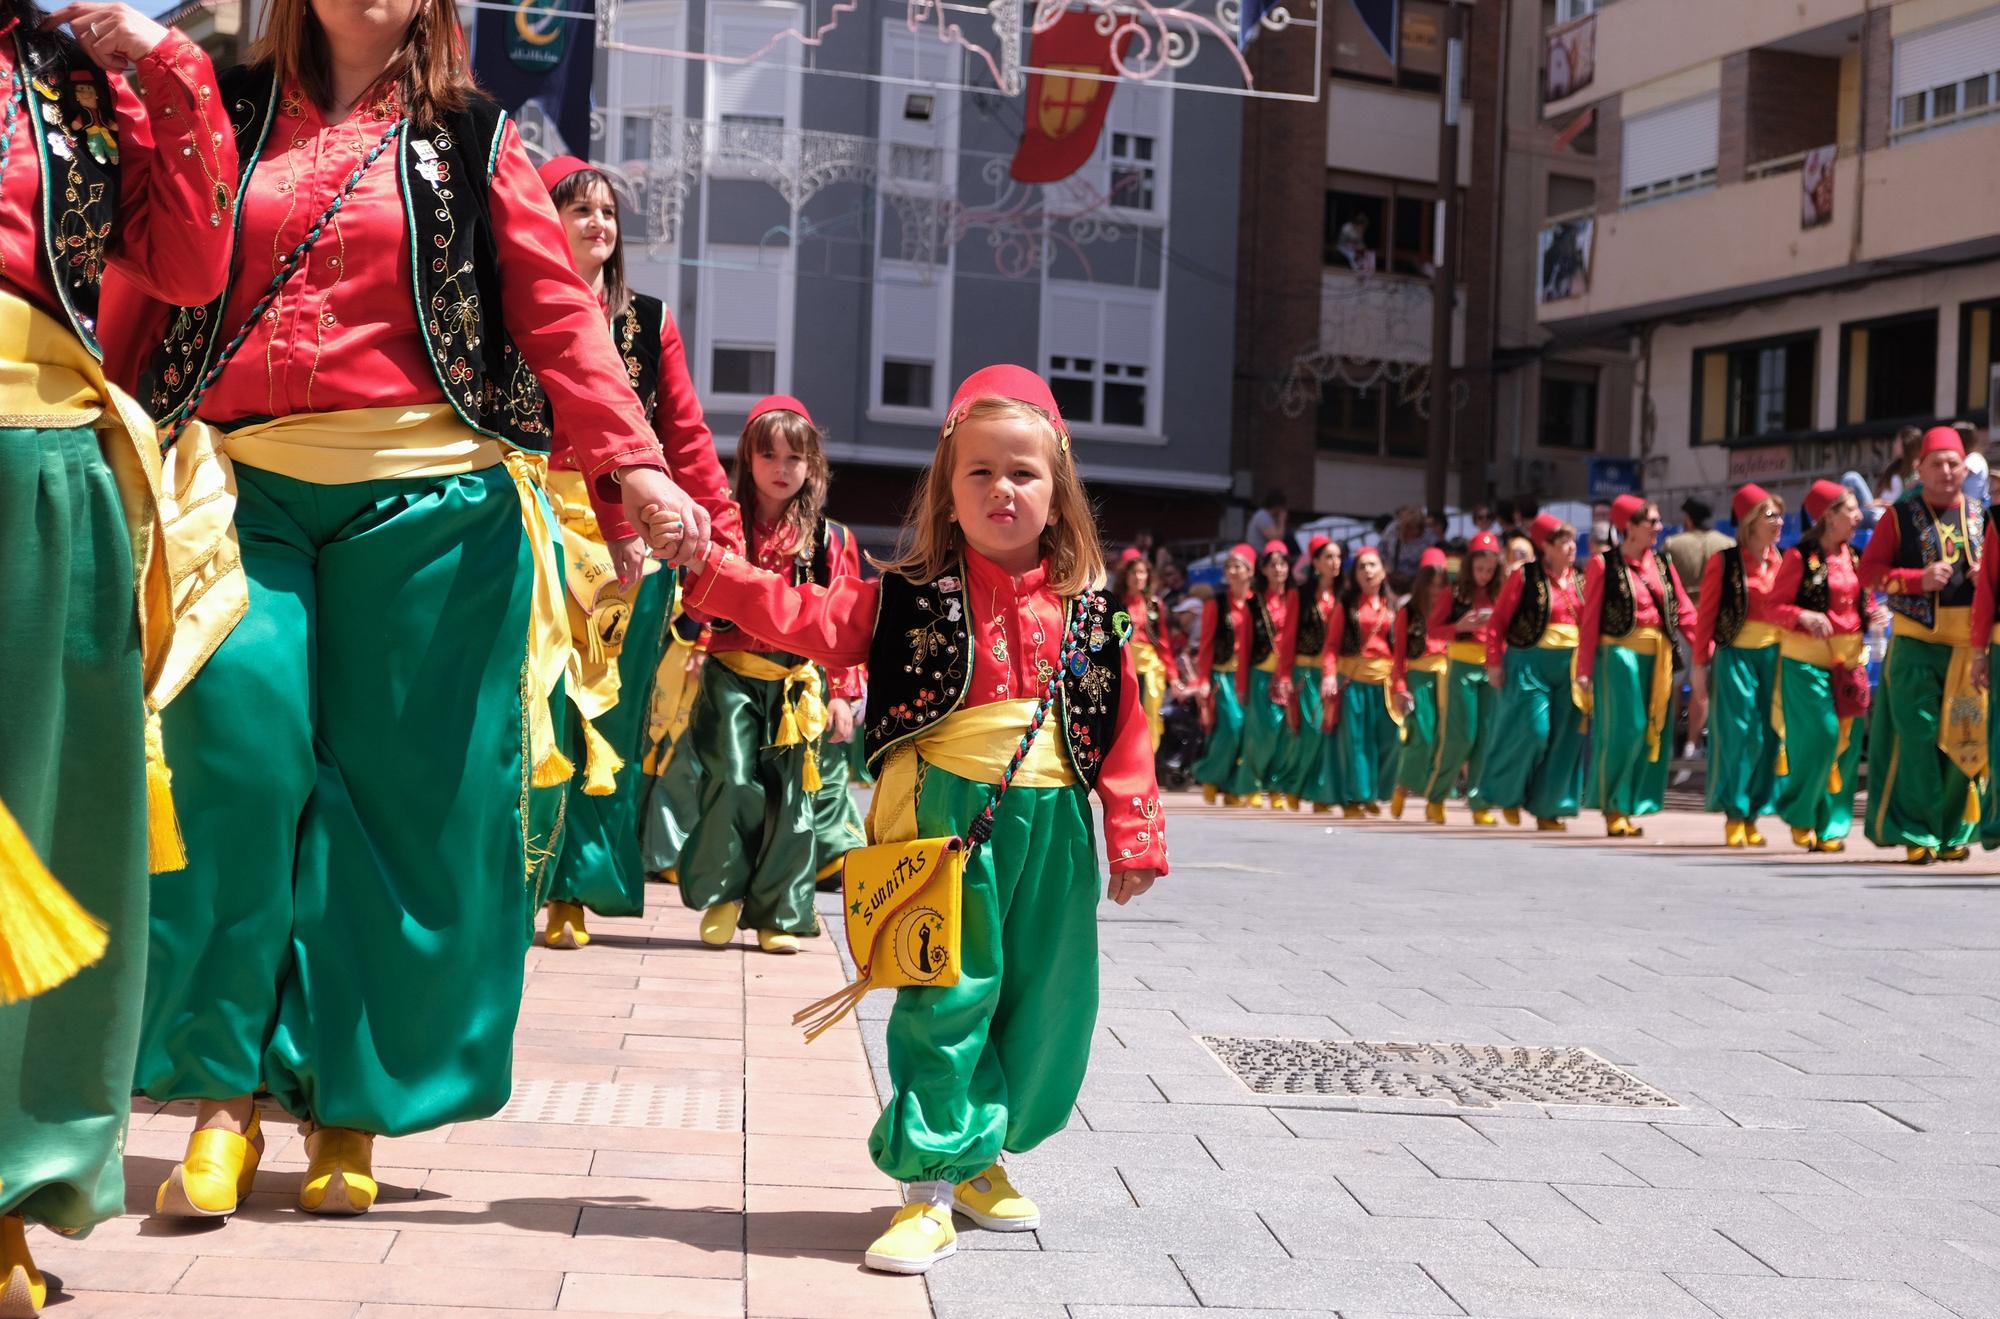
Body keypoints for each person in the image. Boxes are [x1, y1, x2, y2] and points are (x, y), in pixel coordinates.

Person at [122, 0, 717, 1224]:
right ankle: (219, 1095)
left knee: (398, 808)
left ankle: (351, 1109)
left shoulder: (474, 138)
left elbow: (557, 314)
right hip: (241, 489)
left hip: (431, 508)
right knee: (233, 761)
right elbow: (146, 278)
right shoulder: (225, 112)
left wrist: (637, 462)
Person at [675, 364, 1165, 1275]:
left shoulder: (1095, 613)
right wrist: (714, 571)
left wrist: (1133, 830)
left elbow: (1125, 727)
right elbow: (801, 615)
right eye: (978, 471)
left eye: (1021, 471)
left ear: (1059, 492)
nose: (1000, 489)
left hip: (1056, 830)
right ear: (948, 490)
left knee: (1048, 1005)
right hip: (950, 825)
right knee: (949, 994)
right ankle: (929, 1184)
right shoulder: (907, 598)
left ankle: (981, 1154)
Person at [0, 2, 235, 1309]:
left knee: (43, 838)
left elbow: (192, 262)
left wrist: (166, 64)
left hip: (43, 463)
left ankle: (7, 1191)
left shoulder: (78, 73)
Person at [536, 156, 738, 950]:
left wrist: (716, 540)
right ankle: (514, 878)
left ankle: (575, 894)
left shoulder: (648, 322)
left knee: (608, 726)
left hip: (630, 552)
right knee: (534, 708)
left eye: (608, 213)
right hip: (535, 523)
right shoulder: (512, 307)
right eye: (579, 208)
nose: (597, 223)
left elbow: (684, 436)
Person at [678, 396, 861, 953]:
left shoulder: (832, 539)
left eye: (794, 457)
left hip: (798, 685)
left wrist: (842, 694)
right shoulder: (723, 526)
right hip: (730, 676)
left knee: (793, 800)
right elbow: (696, 610)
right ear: (748, 461)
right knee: (732, 782)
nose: (781, 469)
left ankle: (781, 913)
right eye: (768, 455)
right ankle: (723, 895)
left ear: (812, 466)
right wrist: (705, 564)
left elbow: (847, 620)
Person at [1862, 426, 1986, 864]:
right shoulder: (1899, 516)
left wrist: (1984, 576)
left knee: (1964, 740)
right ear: (1921, 468)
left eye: (1954, 463)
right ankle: (1917, 831)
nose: (1947, 471)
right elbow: (1869, 572)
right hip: (1916, 645)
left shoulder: (1982, 515)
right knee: (1917, 737)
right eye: (1938, 463)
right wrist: (1916, 580)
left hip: (1968, 649)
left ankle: (1953, 831)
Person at [1578, 496, 1695, 838]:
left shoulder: (1662, 564)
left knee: (1651, 731)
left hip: (1657, 657)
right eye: (1652, 522)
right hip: (1618, 657)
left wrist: (1706, 643)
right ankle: (1613, 804)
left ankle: (1629, 805)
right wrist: (1584, 669)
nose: (1659, 528)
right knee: (1626, 729)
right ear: (1629, 526)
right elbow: (1590, 621)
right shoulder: (1603, 565)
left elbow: (1683, 608)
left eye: (1658, 521)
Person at [1770, 481, 1866, 853]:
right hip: (1807, 659)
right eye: (1851, 509)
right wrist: (1804, 616)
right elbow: (1773, 607)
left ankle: (1831, 827)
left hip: (1849, 660)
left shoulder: (1855, 557)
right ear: (1829, 515)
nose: (1858, 517)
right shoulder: (1799, 556)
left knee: (1846, 744)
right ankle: (1800, 812)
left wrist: (1871, 611)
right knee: (1822, 736)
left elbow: (1861, 598)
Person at [1477, 515, 1588, 831]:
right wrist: (1494, 662)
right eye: (1563, 541)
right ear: (1546, 547)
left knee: (1566, 737)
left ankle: (1549, 809)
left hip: (1570, 666)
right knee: (1532, 732)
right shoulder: (1524, 577)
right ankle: (1506, 795)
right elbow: (1498, 623)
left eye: (1572, 540)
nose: (1571, 547)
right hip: (1529, 663)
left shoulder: (1580, 581)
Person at [1692, 485, 1786, 848]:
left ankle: (1754, 813)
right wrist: (1700, 665)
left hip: (1774, 658)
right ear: (1749, 522)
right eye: (1770, 515)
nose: (1778, 522)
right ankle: (1734, 811)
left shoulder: (1784, 561)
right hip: (1736, 657)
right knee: (1738, 734)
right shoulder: (1725, 561)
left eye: (1779, 515)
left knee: (1768, 735)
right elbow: (1707, 618)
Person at [1432, 531, 1504, 825]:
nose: (1484, 575)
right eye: (1479, 569)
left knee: (1486, 737)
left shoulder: (1501, 594)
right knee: (1462, 736)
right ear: (1469, 566)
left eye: (1490, 570)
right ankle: (1437, 795)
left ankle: (1478, 800)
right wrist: (1459, 626)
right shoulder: (1454, 593)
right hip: (1461, 666)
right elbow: (1434, 630)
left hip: (1491, 668)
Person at [1331, 546, 1400, 816]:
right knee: (1357, 742)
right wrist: (1328, 675)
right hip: (1353, 681)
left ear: (1383, 571)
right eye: (1362, 566)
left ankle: (1374, 791)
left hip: (1385, 683)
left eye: (1373, 565)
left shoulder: (1393, 606)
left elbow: (1401, 648)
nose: (1368, 571)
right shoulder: (1346, 606)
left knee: (1390, 739)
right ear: (1355, 574)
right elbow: (1331, 645)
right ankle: (1354, 798)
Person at [1277, 536, 1343, 812]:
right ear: (1315, 562)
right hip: (1306, 673)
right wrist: (1284, 676)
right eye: (1328, 557)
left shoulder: (1344, 594)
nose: (1334, 563)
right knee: (1309, 731)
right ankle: (1292, 786)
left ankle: (1318, 793)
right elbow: (1288, 636)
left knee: (1327, 733)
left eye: (1338, 557)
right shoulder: (1299, 595)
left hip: (1336, 674)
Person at [1191, 544, 1258, 805]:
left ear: (1250, 571)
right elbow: (1206, 644)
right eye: (1229, 566)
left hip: (1251, 676)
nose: (1232, 570)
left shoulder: (1257, 603)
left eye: (1238, 566)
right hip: (1224, 677)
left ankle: (1233, 787)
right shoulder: (1216, 604)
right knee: (1230, 728)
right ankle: (1209, 774)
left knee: (1247, 732)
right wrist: (1203, 680)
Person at [1390, 548, 1452, 823]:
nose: (1437, 591)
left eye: (1442, 585)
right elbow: (1399, 655)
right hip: (1419, 679)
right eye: (1432, 584)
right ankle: (1403, 787)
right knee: (1422, 737)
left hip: (1448, 677)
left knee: (1445, 740)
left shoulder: (1453, 611)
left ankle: (1434, 799)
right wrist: (1400, 687)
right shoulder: (1409, 612)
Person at [1240, 541, 1295, 808]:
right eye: (1272, 564)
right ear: (1263, 569)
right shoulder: (1253, 603)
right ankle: (1252, 783)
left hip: (1288, 676)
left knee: (1284, 733)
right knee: (1260, 733)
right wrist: (1242, 684)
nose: (1278, 569)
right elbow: (1246, 645)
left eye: (1283, 564)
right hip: (1260, 674)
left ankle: (1276, 786)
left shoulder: (1295, 600)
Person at [1117, 549, 1177, 749]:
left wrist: (1173, 675)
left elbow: (1163, 642)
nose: (1138, 577)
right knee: (1125, 715)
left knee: (1150, 713)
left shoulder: (1154, 605)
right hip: (1124, 665)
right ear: (1125, 576)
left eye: (1142, 572)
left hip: (1150, 665)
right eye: (1134, 572)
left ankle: (1148, 758)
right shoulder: (1116, 603)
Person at [1378, 505, 1432, 593]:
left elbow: (1429, 561)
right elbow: (1381, 549)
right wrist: (1386, 568)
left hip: (1415, 582)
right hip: (1392, 578)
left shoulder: (1428, 537)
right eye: (1411, 528)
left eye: (1418, 527)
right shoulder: (1393, 530)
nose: (1415, 531)